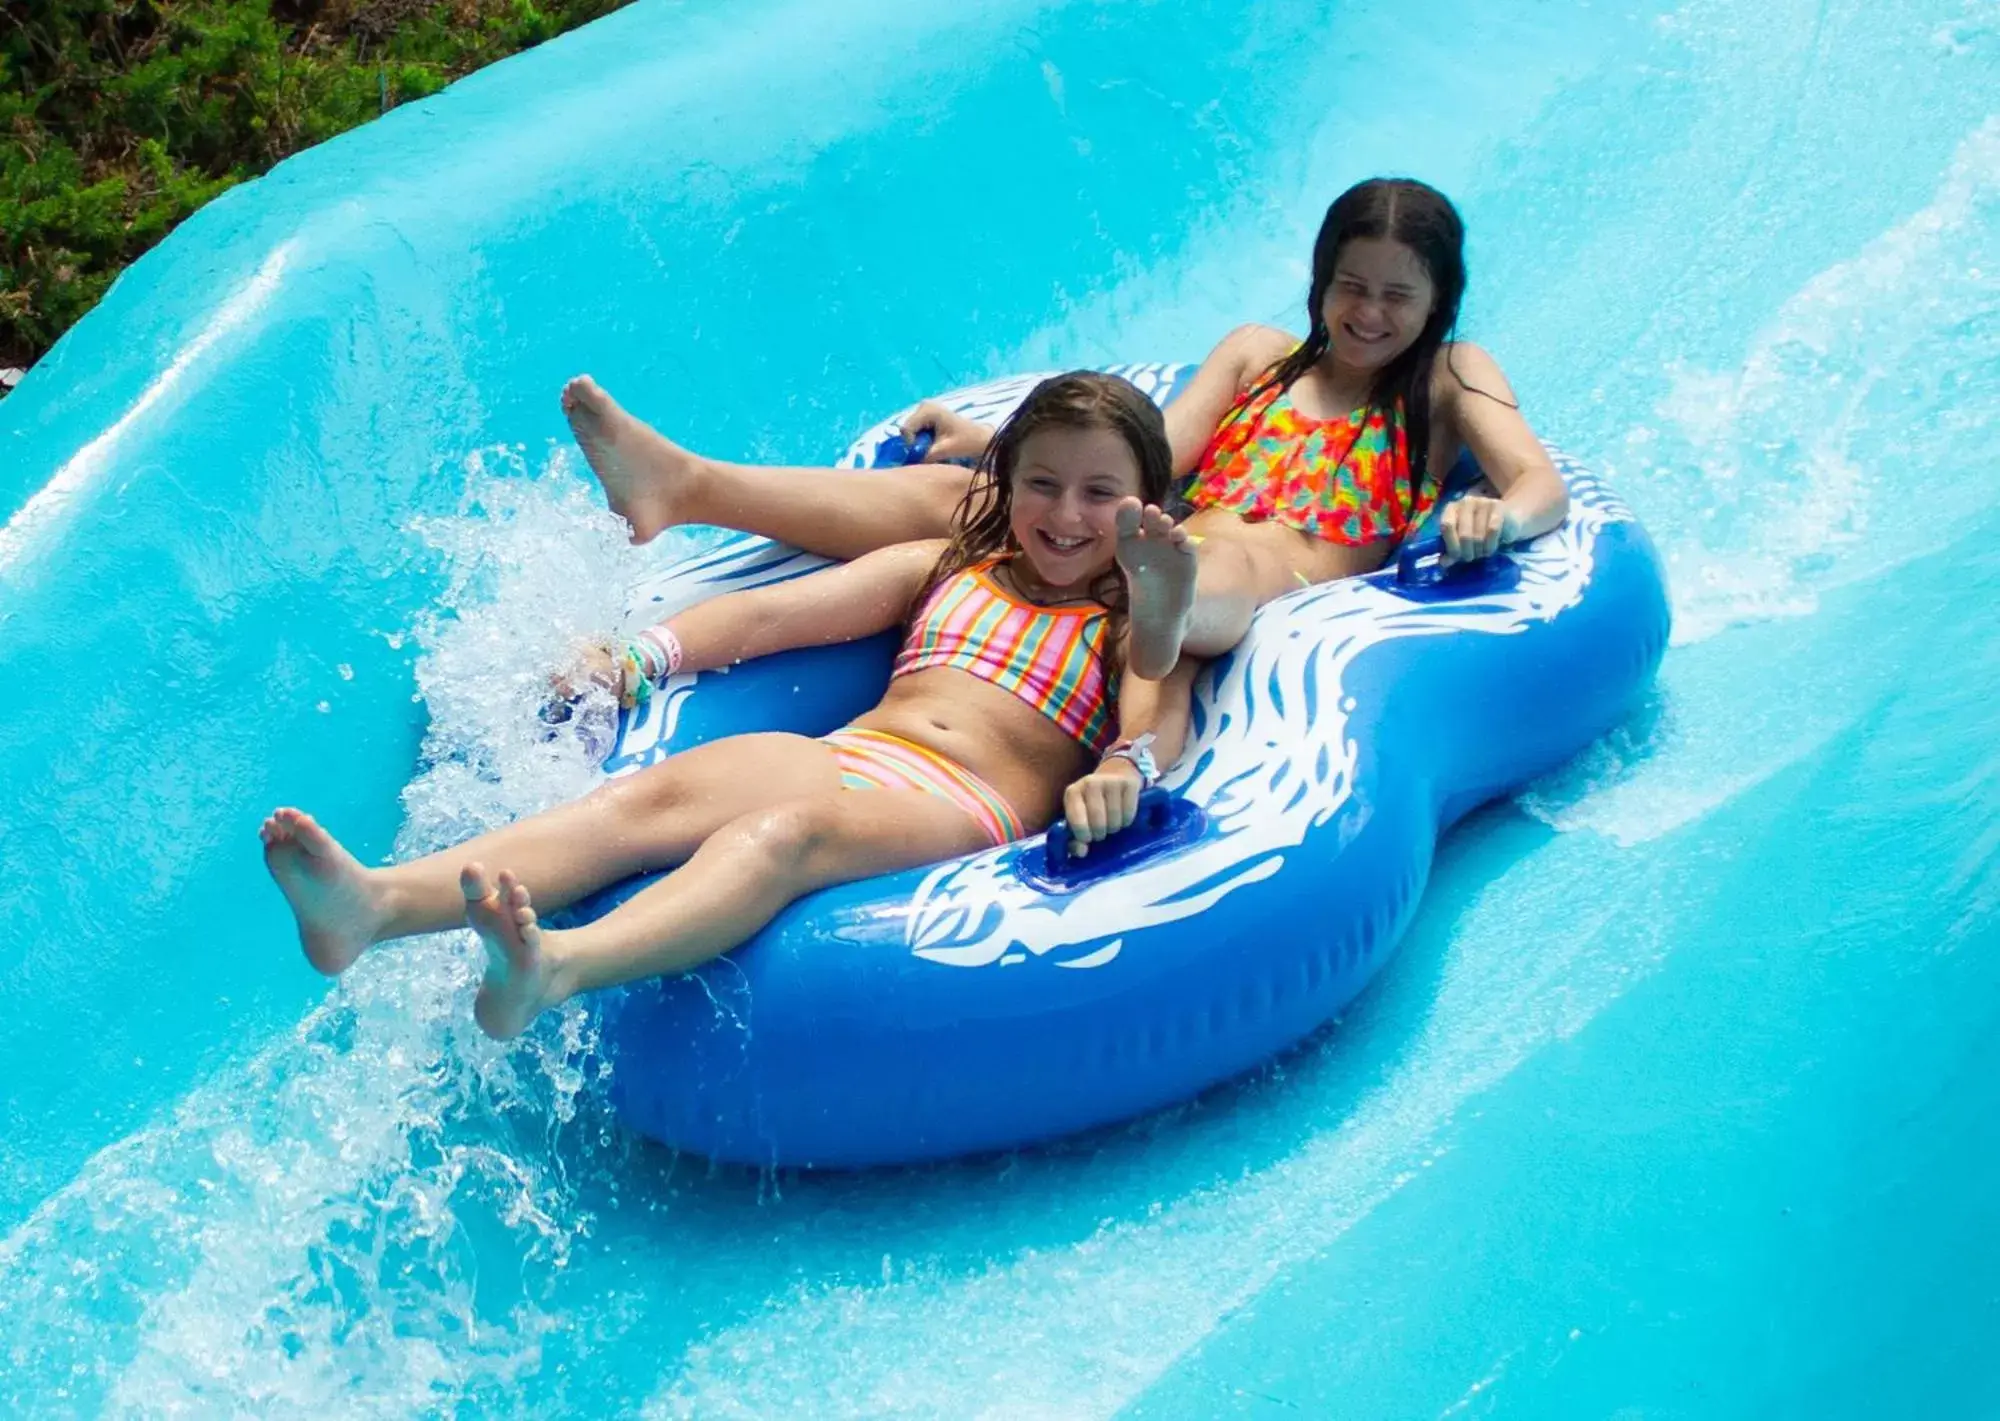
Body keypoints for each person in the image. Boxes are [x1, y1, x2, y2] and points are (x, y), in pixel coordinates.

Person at [261, 373, 1195, 1040]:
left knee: (783, 838)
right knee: (640, 805)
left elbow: (1154, 703)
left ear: (1146, 507)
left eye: (1100, 494)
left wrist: (1123, 767)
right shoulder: (947, 566)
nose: (1066, 513)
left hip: (960, 803)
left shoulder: (1130, 618)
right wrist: (640, 656)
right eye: (1042, 482)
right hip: (850, 752)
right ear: (1005, 483)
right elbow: (779, 615)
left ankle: (561, 966)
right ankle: (378, 903)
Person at [559, 177, 1572, 678]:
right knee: (964, 503)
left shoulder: (1447, 379)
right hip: (1164, 530)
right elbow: (1155, 456)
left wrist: (1496, 522)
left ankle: (1156, 612)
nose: (1366, 313)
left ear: (1436, 296)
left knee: (1214, 567)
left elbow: (1536, 484)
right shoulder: (1257, 357)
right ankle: (684, 484)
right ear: (1320, 279)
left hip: (1277, 577)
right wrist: (995, 449)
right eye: (1348, 285)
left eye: (1395, 293)